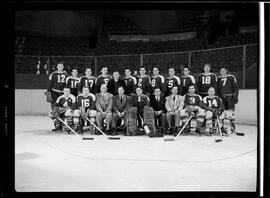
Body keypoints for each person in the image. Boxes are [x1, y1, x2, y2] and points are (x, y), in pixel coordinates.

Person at [217, 67, 239, 133]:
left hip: (230, 97)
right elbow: (217, 89)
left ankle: (232, 127)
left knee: (230, 113)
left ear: (226, 71)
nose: (222, 71)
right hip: (222, 98)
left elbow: (235, 88)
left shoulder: (231, 77)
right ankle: (223, 127)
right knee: (222, 112)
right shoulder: (219, 78)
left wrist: (235, 97)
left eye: (223, 70)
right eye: (221, 70)